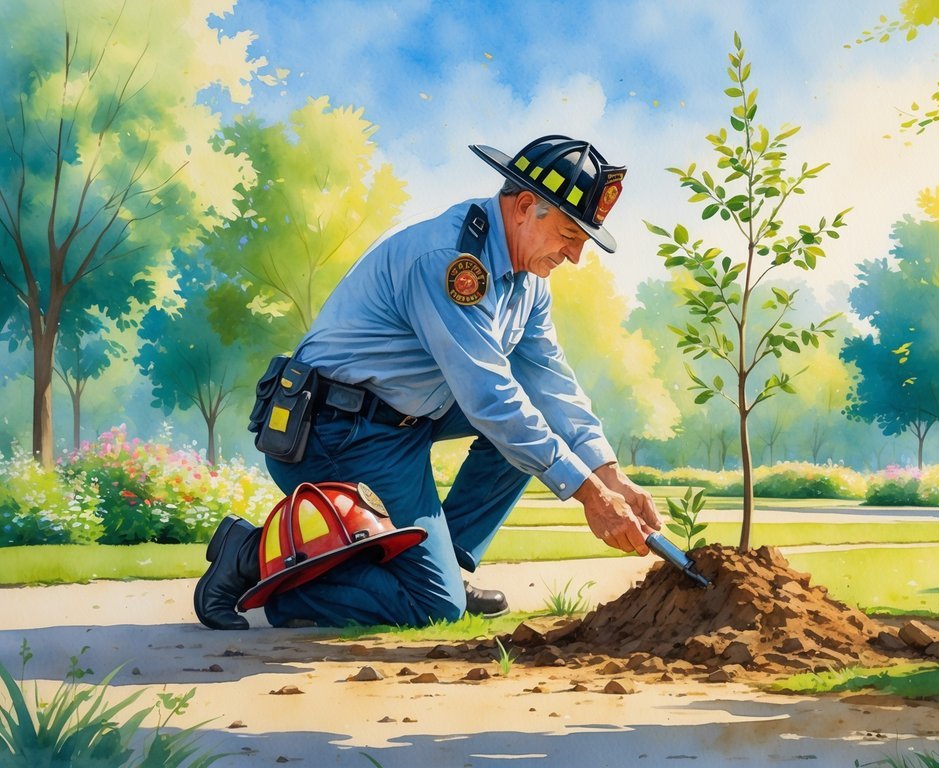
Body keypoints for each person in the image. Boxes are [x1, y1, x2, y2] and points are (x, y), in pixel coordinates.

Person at [194, 134, 661, 630]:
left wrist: (611, 475)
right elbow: (491, 400)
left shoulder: (527, 282)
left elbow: (553, 386)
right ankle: (259, 563)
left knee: (539, 422)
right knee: (433, 607)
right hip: (336, 431)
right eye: (570, 235)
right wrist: (589, 495)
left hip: (402, 420)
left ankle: (444, 564)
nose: (575, 257)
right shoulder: (453, 264)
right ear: (526, 206)